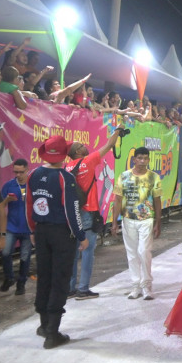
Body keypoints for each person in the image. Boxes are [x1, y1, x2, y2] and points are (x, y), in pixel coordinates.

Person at [25, 136, 88, 349]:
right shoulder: (65, 177)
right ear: (64, 155)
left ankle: (44, 325)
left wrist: (32, 230)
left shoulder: (33, 174)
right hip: (62, 234)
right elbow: (72, 211)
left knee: (44, 277)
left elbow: (28, 205)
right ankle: (52, 334)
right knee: (60, 279)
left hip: (41, 231)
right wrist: (81, 235)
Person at [65, 125, 125, 299]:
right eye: (81, 145)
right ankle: (83, 289)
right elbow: (109, 145)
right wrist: (118, 130)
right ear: (77, 151)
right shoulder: (87, 161)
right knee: (88, 251)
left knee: (73, 252)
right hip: (88, 211)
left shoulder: (67, 167)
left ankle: (70, 288)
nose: (85, 146)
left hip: (72, 213)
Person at [111, 147, 162, 300]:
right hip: (128, 219)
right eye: (139, 158)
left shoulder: (153, 177)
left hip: (146, 219)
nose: (142, 161)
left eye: (145, 158)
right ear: (134, 159)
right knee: (132, 254)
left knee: (144, 251)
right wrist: (114, 222)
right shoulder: (124, 176)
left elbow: (157, 200)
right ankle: (135, 286)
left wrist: (158, 222)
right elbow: (117, 200)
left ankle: (147, 286)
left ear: (148, 160)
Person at [0, 159, 32, 295]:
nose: (18, 175)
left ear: (27, 170)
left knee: (25, 256)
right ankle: (9, 278)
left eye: (21, 172)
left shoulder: (33, 185)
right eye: (15, 172)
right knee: (5, 252)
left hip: (28, 228)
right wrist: (7, 200)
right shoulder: (9, 185)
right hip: (11, 227)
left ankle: (21, 283)